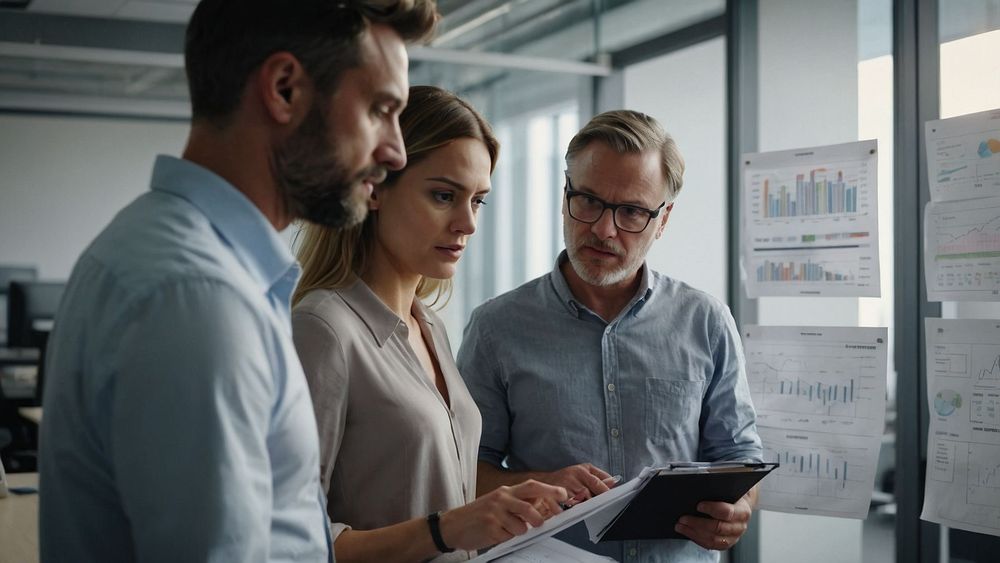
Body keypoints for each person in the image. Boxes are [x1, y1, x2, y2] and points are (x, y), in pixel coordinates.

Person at [38, 1, 438, 561]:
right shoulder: (198, 298)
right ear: (284, 89)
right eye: (380, 108)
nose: (394, 151)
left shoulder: (167, 254)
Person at [457, 110, 763, 562]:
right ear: (565, 197)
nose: (603, 229)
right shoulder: (495, 329)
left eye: (632, 212)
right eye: (589, 201)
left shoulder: (706, 321)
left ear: (663, 220)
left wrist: (739, 509)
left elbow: (738, 455)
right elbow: (463, 471)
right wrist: (540, 484)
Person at [291, 85, 568, 563]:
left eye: (478, 201)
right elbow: (292, 541)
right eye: (444, 195)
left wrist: (510, 506)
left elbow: (437, 498)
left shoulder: (430, 326)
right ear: (373, 188)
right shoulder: (323, 330)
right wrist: (446, 529)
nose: (468, 223)